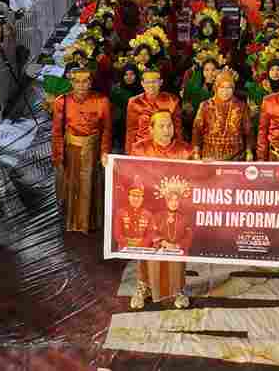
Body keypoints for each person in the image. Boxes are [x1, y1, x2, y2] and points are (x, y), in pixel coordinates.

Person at [126, 111, 194, 310]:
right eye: (162, 126)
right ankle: (143, 286)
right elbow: (129, 176)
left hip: (175, 212)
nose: (167, 130)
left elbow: (195, 179)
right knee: (147, 248)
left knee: (176, 248)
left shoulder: (185, 150)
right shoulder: (139, 149)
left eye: (170, 126)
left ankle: (179, 289)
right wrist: (110, 164)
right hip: (149, 211)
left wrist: (205, 166)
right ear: (151, 129)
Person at [51, 64, 113, 233]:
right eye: (77, 81)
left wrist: (104, 152)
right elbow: (57, 131)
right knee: (72, 185)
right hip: (71, 150)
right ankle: (73, 222)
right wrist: (58, 157)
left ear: (90, 83)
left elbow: (107, 129)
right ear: (71, 83)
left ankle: (91, 223)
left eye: (85, 81)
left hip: (93, 150)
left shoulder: (102, 101)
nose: (81, 85)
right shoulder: (61, 101)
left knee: (92, 184)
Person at [191, 68, 253, 162]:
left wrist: (249, 152)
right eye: (222, 87)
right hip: (209, 157)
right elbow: (197, 131)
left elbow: (248, 131)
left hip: (236, 158)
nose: (225, 91)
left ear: (233, 89)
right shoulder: (205, 106)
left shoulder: (241, 106)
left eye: (229, 88)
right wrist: (196, 152)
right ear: (216, 88)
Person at [124, 66, 182, 156]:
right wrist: (128, 153)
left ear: (161, 82)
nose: (151, 85)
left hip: (166, 149)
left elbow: (177, 129)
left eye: (154, 81)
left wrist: (179, 151)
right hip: (142, 149)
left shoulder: (172, 100)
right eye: (147, 82)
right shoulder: (134, 102)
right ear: (142, 83)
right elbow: (131, 130)